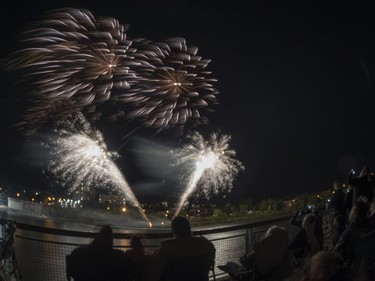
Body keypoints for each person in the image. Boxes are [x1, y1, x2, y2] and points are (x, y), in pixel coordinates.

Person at [141, 216, 216, 281]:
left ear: (173, 231)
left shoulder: (166, 249)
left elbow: (155, 274)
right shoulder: (206, 244)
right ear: (189, 228)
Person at [219, 225, 294, 281]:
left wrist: (244, 257)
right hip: (275, 276)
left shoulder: (260, 251)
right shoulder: (285, 251)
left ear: (269, 238)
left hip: (254, 277)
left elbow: (244, 261)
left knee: (230, 264)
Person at [67, 225, 131, 281]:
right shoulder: (119, 256)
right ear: (111, 240)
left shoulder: (78, 252)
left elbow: (72, 273)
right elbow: (126, 275)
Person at [333, 201, 375, 280]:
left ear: (354, 213)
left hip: (356, 272)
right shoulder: (372, 227)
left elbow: (336, 252)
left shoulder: (350, 232)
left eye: (352, 210)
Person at [327, 180, 347, 245]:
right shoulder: (343, 193)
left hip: (337, 216)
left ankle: (340, 246)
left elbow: (330, 205)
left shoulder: (335, 194)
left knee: (339, 232)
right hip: (344, 214)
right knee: (344, 230)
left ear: (335, 186)